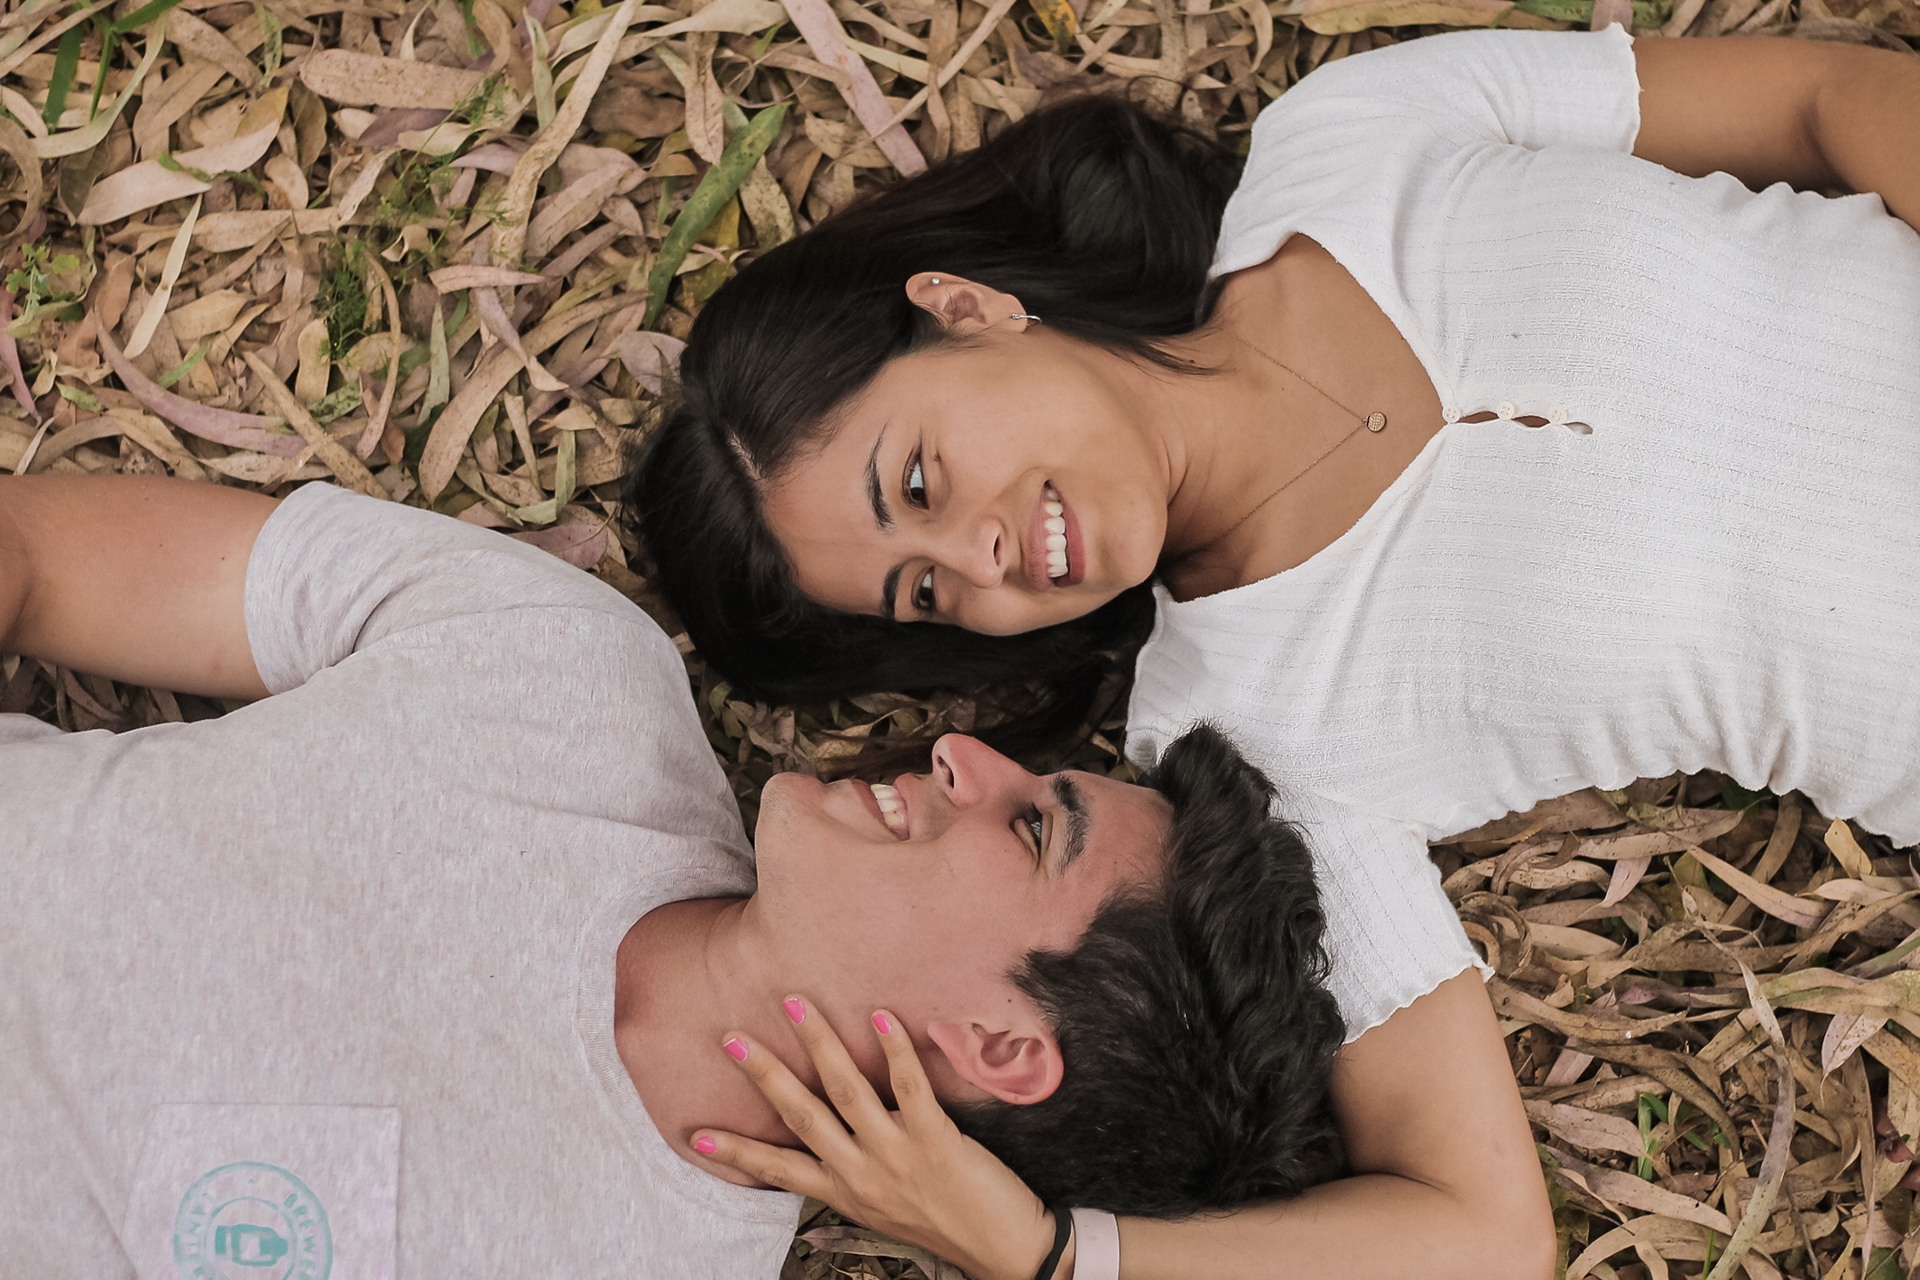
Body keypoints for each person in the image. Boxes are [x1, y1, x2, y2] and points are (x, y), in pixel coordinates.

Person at [631, 25, 1920, 1274]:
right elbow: (1481, 1239)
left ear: (967, 308)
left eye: (919, 480)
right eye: (923, 593)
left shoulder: (1348, 137)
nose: (981, 558)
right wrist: (1046, 1254)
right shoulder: (1250, 743)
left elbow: (1821, 99)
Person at [0, 474, 1363, 1278]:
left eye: (1029, 829)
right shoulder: (562, 675)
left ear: (1000, 1046)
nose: (964, 754)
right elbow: (37, 554)